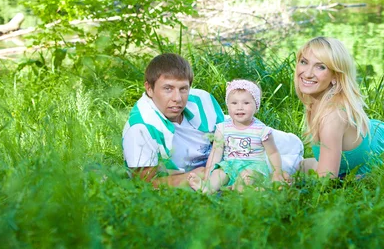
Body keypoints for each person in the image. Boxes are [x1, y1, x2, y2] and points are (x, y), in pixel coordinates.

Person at [122, 53, 303, 188]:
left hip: (226, 147)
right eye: (167, 88)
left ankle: (307, 168)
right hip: (205, 168)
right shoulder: (141, 128)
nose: (177, 98)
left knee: (291, 145)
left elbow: (228, 130)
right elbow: (145, 183)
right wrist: (190, 176)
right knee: (272, 167)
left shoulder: (201, 99)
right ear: (149, 88)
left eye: (183, 89)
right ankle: (292, 172)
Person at [295, 37, 384, 178]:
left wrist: (287, 186)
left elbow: (325, 179)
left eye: (321, 66)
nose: (308, 73)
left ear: (336, 76)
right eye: (304, 62)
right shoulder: (317, 101)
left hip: (382, 149)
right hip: (355, 154)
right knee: (290, 165)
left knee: (291, 173)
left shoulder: (332, 116)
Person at [188, 80, 285, 193]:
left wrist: (277, 172)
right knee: (218, 173)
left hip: (253, 167)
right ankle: (207, 188)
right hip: (230, 165)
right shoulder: (222, 128)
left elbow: (273, 153)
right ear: (228, 106)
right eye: (234, 103)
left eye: (246, 103)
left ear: (256, 106)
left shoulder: (261, 130)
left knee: (247, 177)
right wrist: (207, 175)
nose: (240, 107)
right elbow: (216, 152)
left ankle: (244, 189)